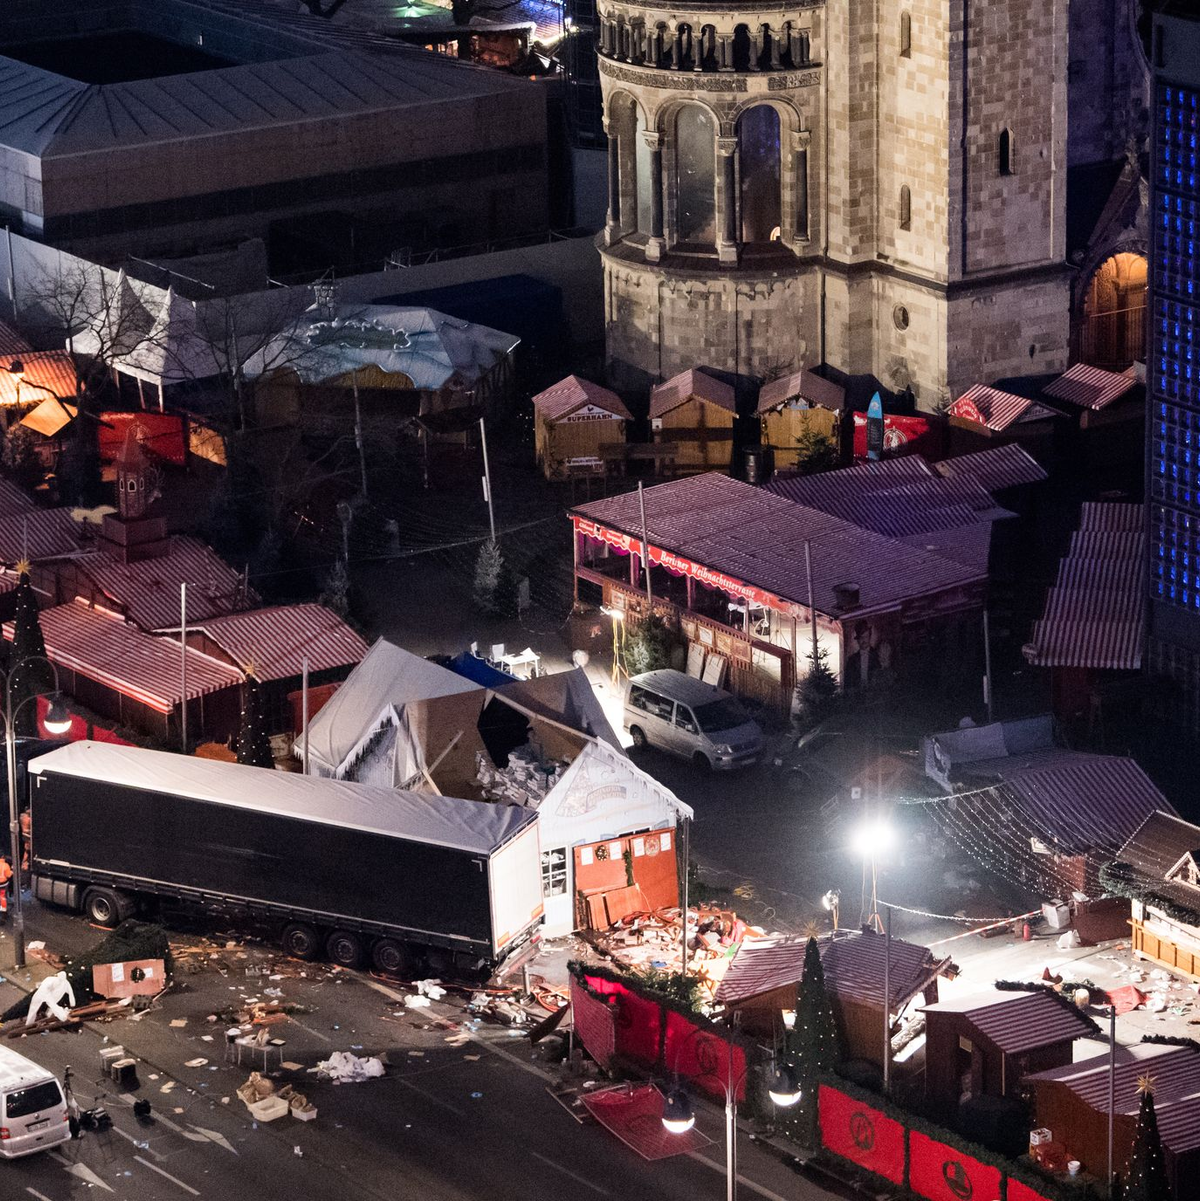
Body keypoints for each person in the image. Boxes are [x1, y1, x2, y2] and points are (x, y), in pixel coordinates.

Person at [0, 855, 11, 921]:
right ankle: (3, 913)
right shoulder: (5, 865)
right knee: (3, 898)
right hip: (3, 885)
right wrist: (12, 872)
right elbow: (8, 875)